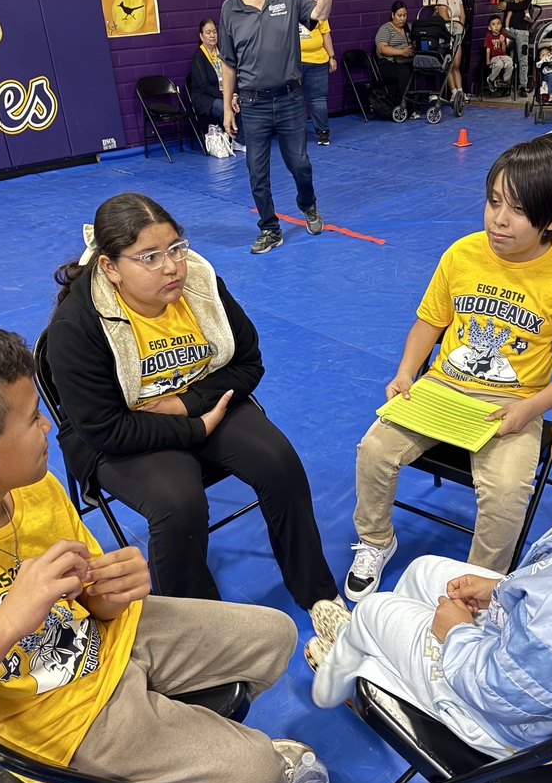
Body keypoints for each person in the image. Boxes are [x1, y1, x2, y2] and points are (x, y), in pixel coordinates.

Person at [0, 322, 312, 783]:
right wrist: (6, 624)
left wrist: (111, 593)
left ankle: (172, 731)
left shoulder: (34, 487)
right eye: (32, 420)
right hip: (56, 719)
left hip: (107, 641)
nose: (49, 427)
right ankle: (183, 755)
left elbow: (91, 602)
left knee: (276, 634)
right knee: (260, 778)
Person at [308, 345, 552, 763]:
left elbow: (499, 692)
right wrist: (505, 586)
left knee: (375, 611)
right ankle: (383, 658)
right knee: (426, 571)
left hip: (522, 727)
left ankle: (343, 678)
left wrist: (455, 633)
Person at [342, 137, 552, 602]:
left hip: (511, 404)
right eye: (493, 201)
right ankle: (376, 541)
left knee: (507, 491)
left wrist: (533, 407)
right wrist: (406, 373)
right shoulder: (463, 253)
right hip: (441, 388)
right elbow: (429, 321)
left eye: (518, 210)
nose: (499, 219)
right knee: (374, 450)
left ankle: (480, 584)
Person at [48, 193, 340, 610]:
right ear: (110, 267)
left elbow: (248, 363)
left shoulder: (200, 285)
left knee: (279, 463)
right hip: (124, 433)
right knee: (179, 504)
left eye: (175, 249)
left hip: (202, 402)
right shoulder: (78, 326)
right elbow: (105, 428)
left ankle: (320, 598)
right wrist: (196, 427)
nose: (170, 266)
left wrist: (189, 404)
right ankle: (202, 636)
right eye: (148, 257)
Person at [219, 0, 340, 255]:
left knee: (300, 163)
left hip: (289, 99)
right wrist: (226, 108)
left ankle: (308, 204)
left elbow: (319, 13)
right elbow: (229, 65)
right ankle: (270, 228)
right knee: (256, 172)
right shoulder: (229, 9)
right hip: (252, 104)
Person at [284, 0, 336, 145]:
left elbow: (325, 32)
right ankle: (295, 134)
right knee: (294, 101)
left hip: (317, 61)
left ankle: (323, 132)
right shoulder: (284, 8)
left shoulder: (315, 4)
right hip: (294, 64)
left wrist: (332, 56)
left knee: (317, 99)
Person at [187, 18, 246, 152]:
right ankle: (239, 141)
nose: (213, 35)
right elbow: (205, 86)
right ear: (201, 36)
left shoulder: (223, 52)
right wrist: (227, 97)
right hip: (205, 98)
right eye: (208, 32)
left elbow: (234, 76)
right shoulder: (198, 57)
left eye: (214, 31)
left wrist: (234, 95)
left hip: (226, 94)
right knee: (226, 108)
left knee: (244, 103)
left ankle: (240, 140)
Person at [497, 0, 535, 97]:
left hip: (521, 29)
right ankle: (508, 84)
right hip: (509, 27)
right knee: (509, 57)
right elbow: (502, 4)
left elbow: (523, 6)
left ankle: (522, 85)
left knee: (522, 58)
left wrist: (509, 6)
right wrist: (508, 6)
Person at [374, 1, 416, 116]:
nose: (402, 19)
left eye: (405, 15)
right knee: (404, 71)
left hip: (405, 62)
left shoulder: (409, 29)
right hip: (387, 63)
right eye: (399, 16)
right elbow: (382, 49)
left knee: (424, 67)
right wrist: (402, 52)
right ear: (393, 15)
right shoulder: (386, 29)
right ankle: (400, 105)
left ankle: (429, 99)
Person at [435, 0, 465, 101]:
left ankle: (460, 92)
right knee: (450, 65)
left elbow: (463, 16)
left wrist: (460, 28)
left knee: (457, 64)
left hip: (458, 33)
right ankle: (453, 93)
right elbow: (445, 19)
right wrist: (453, 31)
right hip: (447, 35)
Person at [484, 15, 514, 92]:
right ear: (489, 27)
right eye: (493, 24)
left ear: (501, 25)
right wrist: (488, 60)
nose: (496, 26)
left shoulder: (503, 35)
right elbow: (488, 49)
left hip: (503, 55)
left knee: (510, 62)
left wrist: (502, 42)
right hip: (494, 56)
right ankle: (491, 79)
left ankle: (505, 80)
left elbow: (504, 50)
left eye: (498, 24)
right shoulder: (488, 36)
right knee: (499, 64)